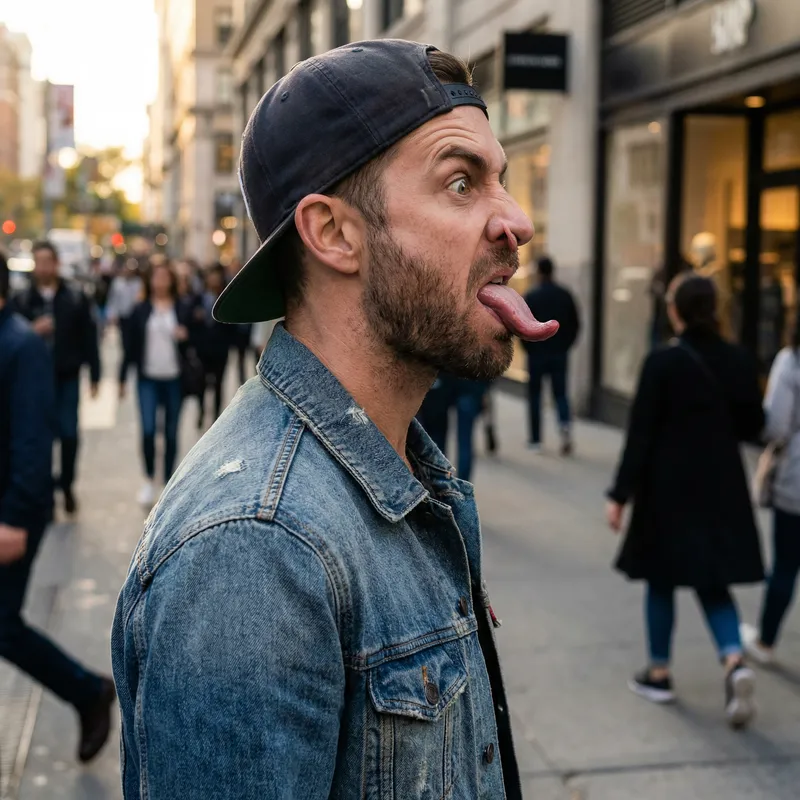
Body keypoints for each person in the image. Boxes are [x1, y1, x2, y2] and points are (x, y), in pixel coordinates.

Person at [111, 41, 559, 799]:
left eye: (501, 181)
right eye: (461, 183)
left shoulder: (403, 469)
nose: (515, 221)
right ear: (334, 233)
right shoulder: (256, 549)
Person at [607, 274, 764, 728]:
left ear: (675, 310)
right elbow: (754, 424)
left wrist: (620, 495)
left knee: (661, 578)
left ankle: (659, 673)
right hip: (722, 484)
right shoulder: (737, 359)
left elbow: (640, 434)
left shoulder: (662, 361)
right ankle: (734, 661)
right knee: (712, 581)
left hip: (667, 487)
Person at [0, 252, 115, 763]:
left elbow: (32, 441)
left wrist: (14, 518)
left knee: (3, 625)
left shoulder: (20, 345)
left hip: (12, 513)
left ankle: (88, 691)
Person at [10, 241, 100, 515]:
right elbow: (12, 337)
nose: (43, 268)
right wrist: (31, 330)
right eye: (38, 262)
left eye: (47, 262)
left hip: (67, 376)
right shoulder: (22, 300)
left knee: (69, 434)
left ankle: (67, 484)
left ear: (56, 263)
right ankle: (46, 491)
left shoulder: (74, 297)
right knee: (41, 438)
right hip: (34, 381)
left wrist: (95, 374)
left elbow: (89, 337)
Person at [741, 318, 800, 665]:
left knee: (786, 564)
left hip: (796, 478)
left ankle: (765, 643)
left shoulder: (791, 361)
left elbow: (776, 425)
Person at [120, 262, 191, 508]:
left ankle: (168, 481)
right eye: (156, 277)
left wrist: (185, 336)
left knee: (171, 432)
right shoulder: (140, 309)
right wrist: (121, 378)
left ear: (172, 281)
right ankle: (149, 478)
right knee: (149, 429)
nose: (160, 282)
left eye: (164, 277)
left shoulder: (182, 307)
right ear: (149, 281)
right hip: (147, 379)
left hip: (174, 379)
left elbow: (197, 338)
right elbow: (129, 346)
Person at [523, 256, 580, 455]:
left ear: (539, 272)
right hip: (558, 353)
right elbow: (575, 324)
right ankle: (565, 428)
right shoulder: (565, 295)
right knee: (561, 394)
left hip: (537, 354)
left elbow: (522, 325)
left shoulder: (532, 295)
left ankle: (535, 440)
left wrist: (529, 348)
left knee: (535, 396)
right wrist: (565, 346)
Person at [418, 374, 490, 481]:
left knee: (438, 439)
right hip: (471, 384)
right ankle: (462, 484)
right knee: (465, 440)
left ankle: (441, 482)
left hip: (444, 384)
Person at [196, 264, 232, 427]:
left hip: (220, 348)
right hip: (203, 348)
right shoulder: (199, 297)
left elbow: (232, 324)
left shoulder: (225, 297)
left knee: (218, 384)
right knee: (202, 383)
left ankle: (216, 416)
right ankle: (202, 411)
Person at [106, 257, 144, 387]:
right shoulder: (118, 283)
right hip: (124, 318)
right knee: (126, 348)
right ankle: (122, 380)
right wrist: (112, 315)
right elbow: (113, 300)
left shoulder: (139, 283)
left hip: (137, 319)